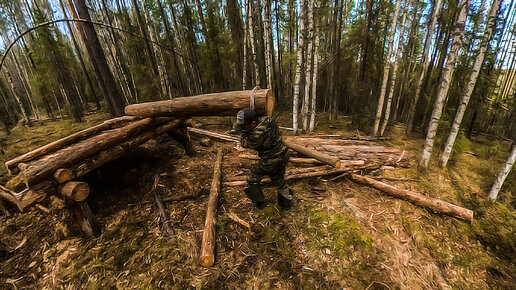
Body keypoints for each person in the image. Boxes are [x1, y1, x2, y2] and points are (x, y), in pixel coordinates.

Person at [233, 108, 293, 210]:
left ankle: (260, 203)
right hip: (283, 154)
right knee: (278, 178)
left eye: (244, 126)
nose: (243, 128)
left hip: (271, 160)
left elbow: (243, 142)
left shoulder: (257, 136)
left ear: (253, 123)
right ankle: (286, 203)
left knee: (252, 178)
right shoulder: (268, 120)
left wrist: (241, 132)